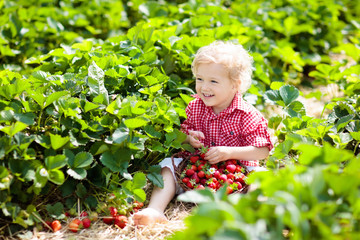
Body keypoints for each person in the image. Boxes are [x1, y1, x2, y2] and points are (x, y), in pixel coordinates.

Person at [133, 40, 273, 226]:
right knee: (167, 166)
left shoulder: (247, 115)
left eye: (213, 81)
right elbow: (182, 138)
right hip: (197, 175)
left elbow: (262, 150)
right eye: (200, 79)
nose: (204, 87)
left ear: (235, 85)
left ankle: (257, 214)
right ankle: (155, 210)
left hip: (238, 180)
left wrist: (229, 153)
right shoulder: (195, 106)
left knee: (261, 176)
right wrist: (189, 139)